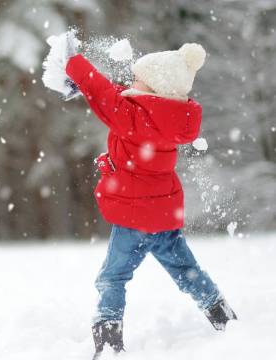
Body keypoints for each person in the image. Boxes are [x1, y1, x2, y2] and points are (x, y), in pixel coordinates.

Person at [61, 35, 237, 358]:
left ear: (154, 90)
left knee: (112, 277)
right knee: (187, 271)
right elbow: (118, 96)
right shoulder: (166, 119)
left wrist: (74, 63)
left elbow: (105, 95)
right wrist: (82, 86)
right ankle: (223, 316)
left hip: (133, 219)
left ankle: (109, 342)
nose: (131, 83)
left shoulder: (134, 119)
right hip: (162, 217)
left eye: (138, 80)